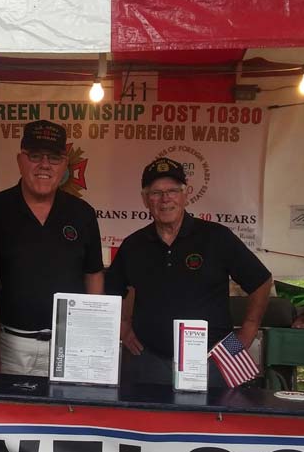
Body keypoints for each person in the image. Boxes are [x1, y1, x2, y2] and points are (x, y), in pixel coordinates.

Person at [106, 157, 272, 386]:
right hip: (150, 361)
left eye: (173, 191)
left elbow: (261, 281)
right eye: (156, 192)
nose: (165, 199)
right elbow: (111, 291)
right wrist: (123, 329)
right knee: (148, 421)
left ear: (186, 194)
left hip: (213, 362)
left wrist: (247, 333)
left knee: (215, 421)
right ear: (145, 199)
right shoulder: (134, 245)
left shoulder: (216, 237)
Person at [0, 120, 104, 376]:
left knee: (64, 417)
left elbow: (93, 274)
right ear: (20, 160)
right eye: (35, 156)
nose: (45, 165)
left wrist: (91, 340)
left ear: (64, 165)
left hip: (69, 347)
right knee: (8, 417)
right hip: (9, 346)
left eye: (54, 158)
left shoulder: (82, 214)